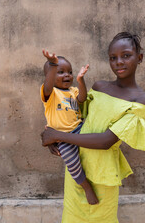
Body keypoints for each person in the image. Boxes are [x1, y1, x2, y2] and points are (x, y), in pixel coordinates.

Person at [41, 32, 145, 223]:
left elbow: (106, 141)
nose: (119, 62)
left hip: (103, 173)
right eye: (113, 58)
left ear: (139, 58)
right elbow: (74, 117)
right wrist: (51, 135)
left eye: (126, 55)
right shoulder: (99, 87)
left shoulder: (141, 100)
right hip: (77, 167)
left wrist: (57, 136)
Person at [40, 49, 99, 205]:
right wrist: (52, 64)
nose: (67, 75)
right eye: (60, 72)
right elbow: (47, 85)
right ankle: (86, 187)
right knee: (72, 163)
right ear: (50, 77)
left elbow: (83, 98)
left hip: (79, 129)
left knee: (95, 136)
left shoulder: (72, 91)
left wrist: (80, 79)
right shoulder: (51, 94)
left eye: (70, 72)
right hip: (61, 137)